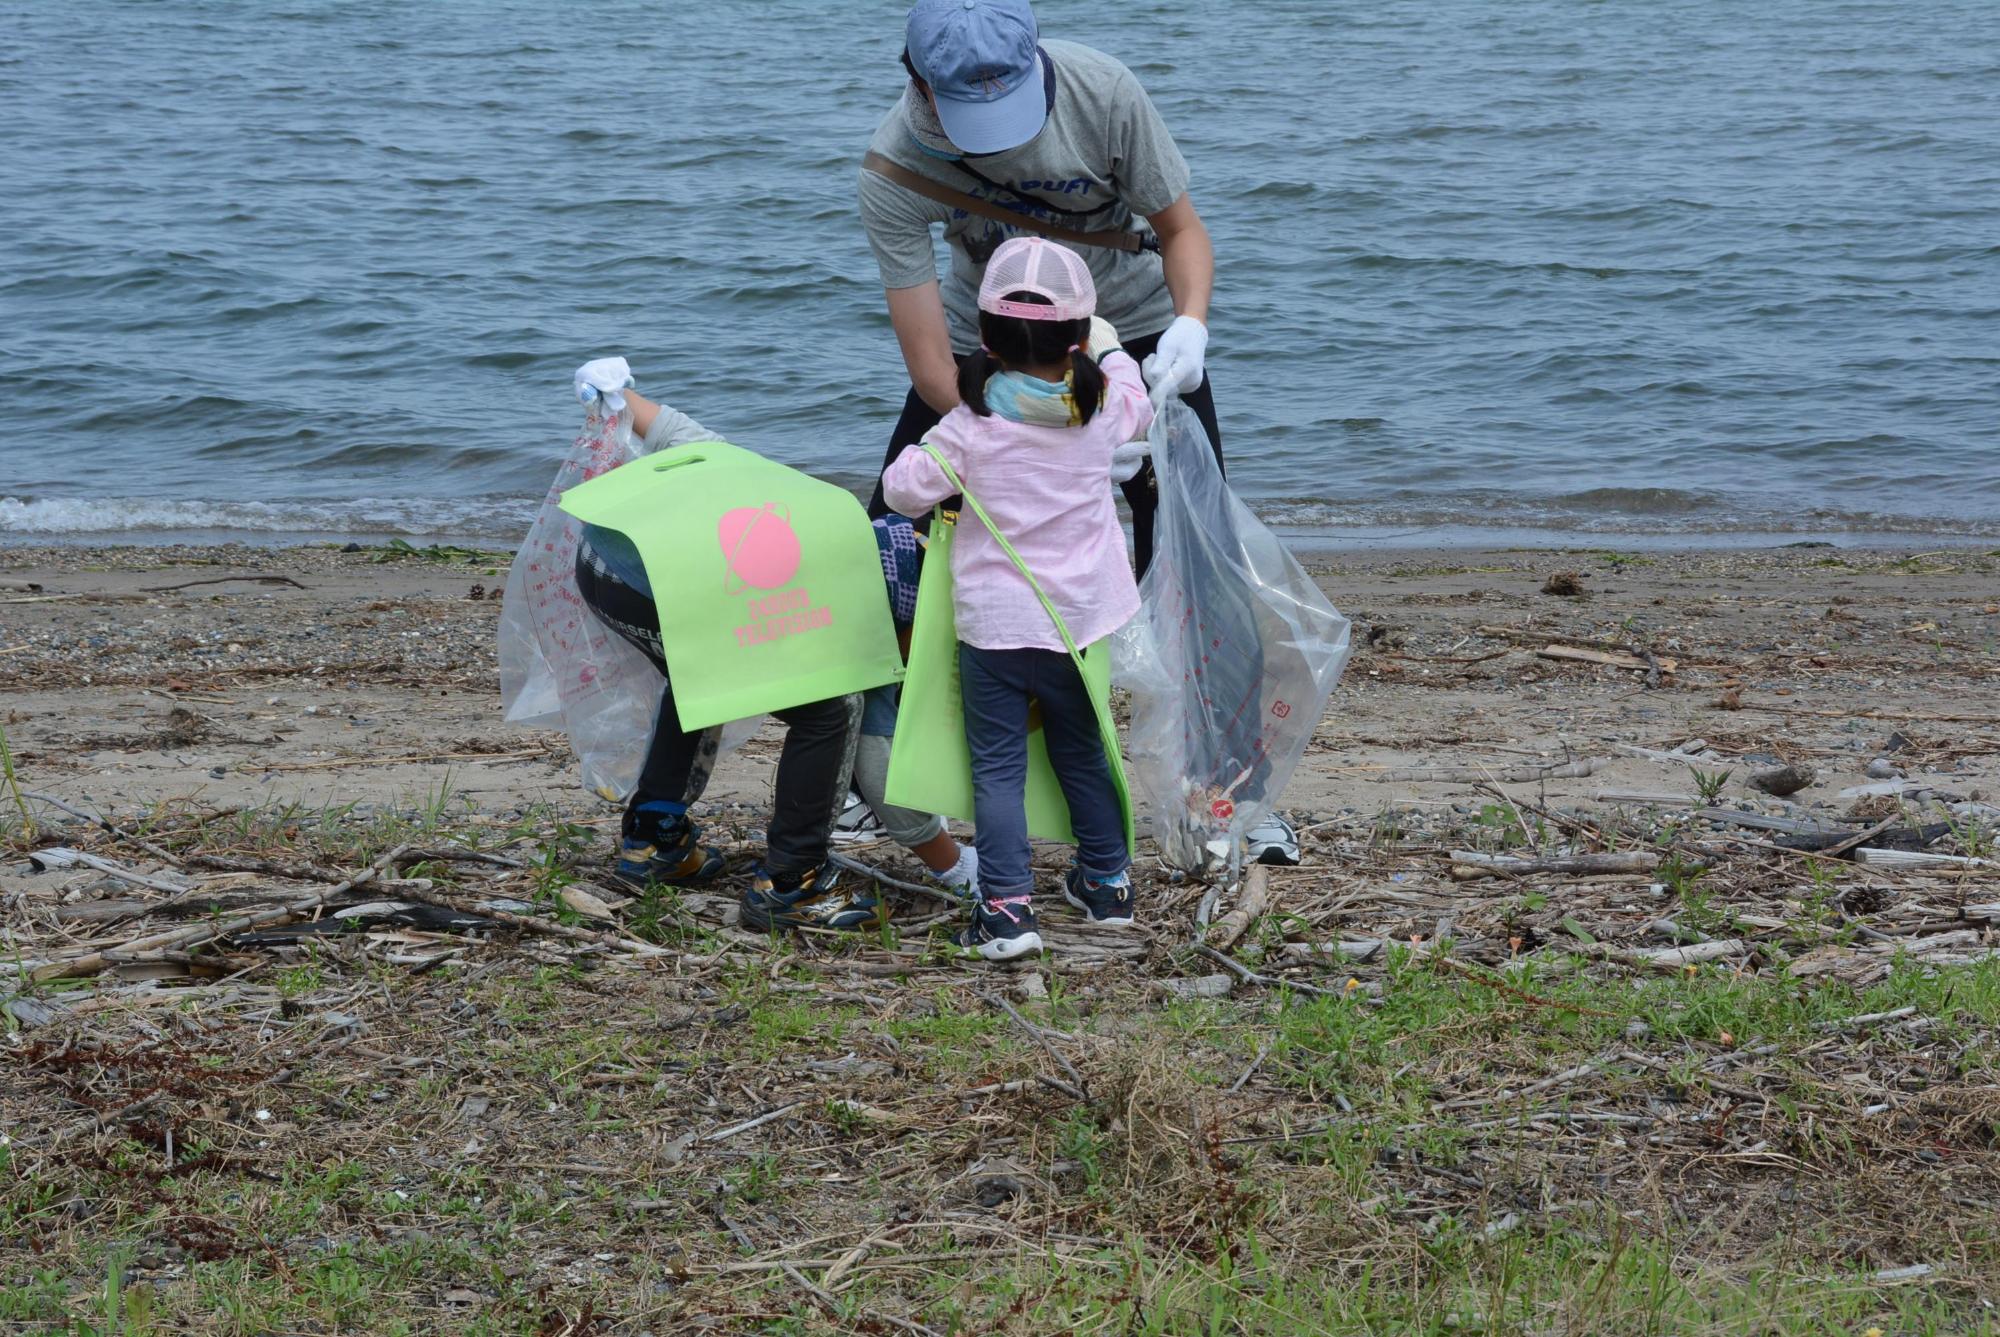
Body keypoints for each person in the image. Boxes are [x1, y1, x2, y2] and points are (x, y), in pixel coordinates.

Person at [567, 372, 973, 930]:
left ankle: (653, 840)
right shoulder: (869, 615)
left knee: (705, 673)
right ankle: (790, 883)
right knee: (832, 712)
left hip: (603, 555)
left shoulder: (825, 516)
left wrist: (616, 395)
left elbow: (684, 436)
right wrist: (954, 867)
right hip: (647, 584)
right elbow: (881, 773)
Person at [858, 0, 1218, 575]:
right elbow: (931, 369)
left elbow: (1180, 231)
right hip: (992, 346)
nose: (997, 137)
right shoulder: (895, 169)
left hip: (1133, 332)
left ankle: (1171, 665)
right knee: (891, 546)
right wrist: (1043, 444)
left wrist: (1191, 324)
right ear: (921, 83)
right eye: (975, 113)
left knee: (1191, 539)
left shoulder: (1103, 93)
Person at [882, 237, 1150, 961]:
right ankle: (1108, 885)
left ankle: (1006, 910)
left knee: (996, 768)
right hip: (1076, 622)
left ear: (986, 340)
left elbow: (904, 487)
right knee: (1083, 750)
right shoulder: (1098, 411)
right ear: (1077, 338)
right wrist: (1114, 347)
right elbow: (1139, 400)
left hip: (994, 629)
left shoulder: (973, 425)